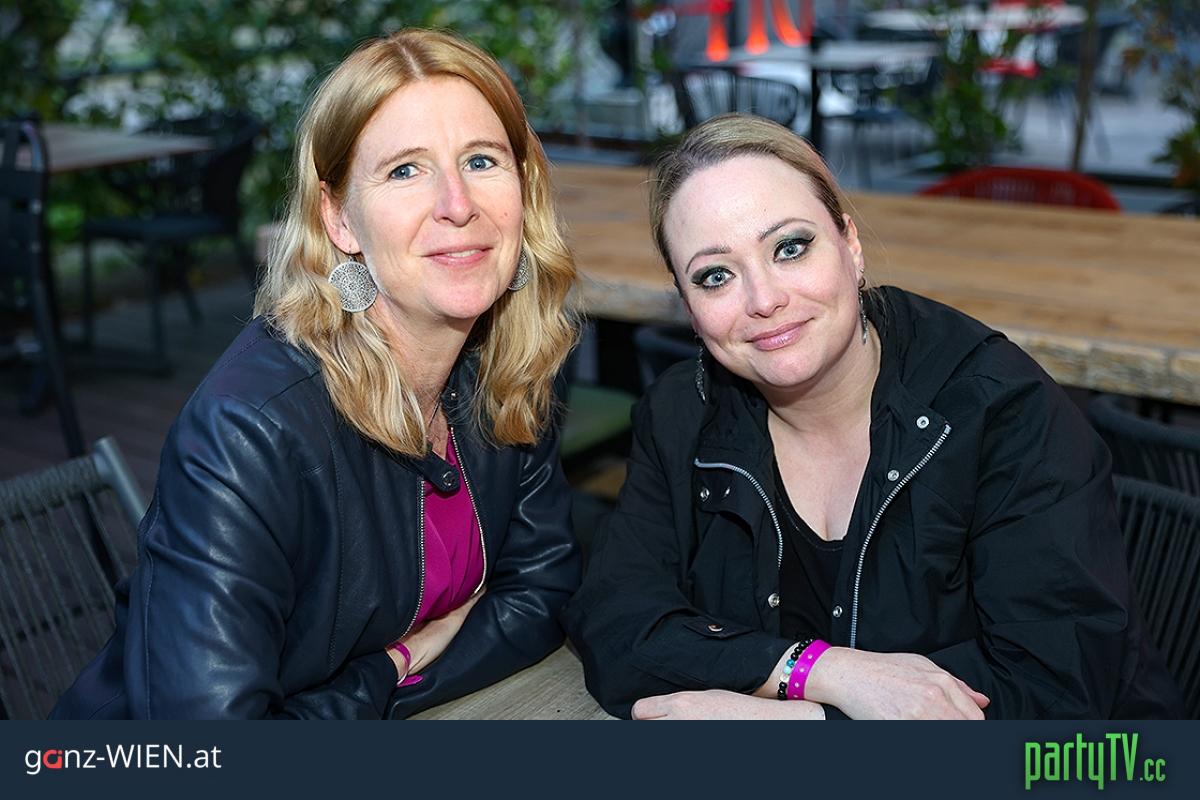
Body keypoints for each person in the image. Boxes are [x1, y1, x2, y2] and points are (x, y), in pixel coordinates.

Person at [562, 114, 1181, 720]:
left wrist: (797, 723)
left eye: (790, 248)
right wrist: (819, 671)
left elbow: (1054, 689)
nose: (765, 299)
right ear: (688, 307)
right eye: (715, 276)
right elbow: (617, 625)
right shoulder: (682, 409)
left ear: (851, 246)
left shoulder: (1001, 408)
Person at [53, 28, 580, 719]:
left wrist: (383, 686)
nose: (457, 203)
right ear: (340, 219)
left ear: (523, 188)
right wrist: (387, 670)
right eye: (405, 171)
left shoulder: (510, 366)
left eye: (482, 160)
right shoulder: (247, 430)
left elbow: (540, 595)